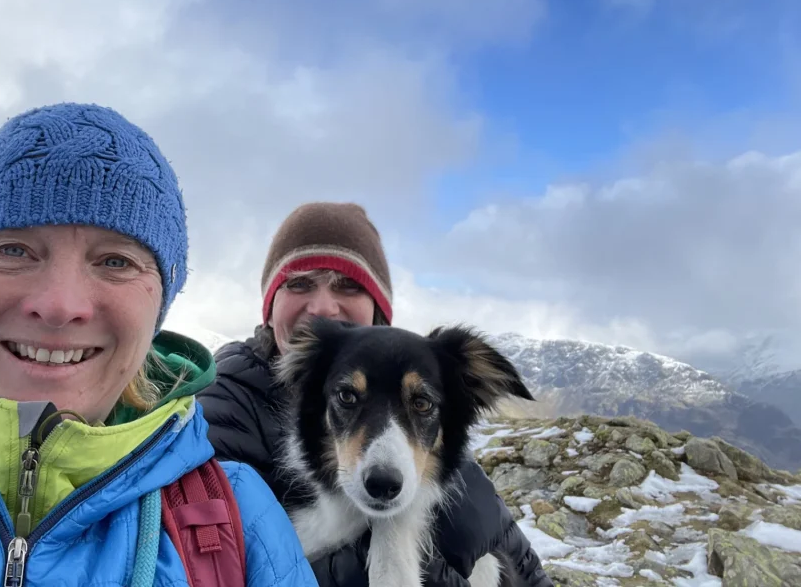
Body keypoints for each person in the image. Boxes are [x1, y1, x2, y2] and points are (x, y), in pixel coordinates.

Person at [0, 103, 317, 587]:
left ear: (158, 307)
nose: (61, 304)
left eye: (116, 261)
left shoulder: (240, 522)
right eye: (14, 249)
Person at [198, 202, 552, 587]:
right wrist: (410, 557)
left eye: (348, 285)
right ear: (269, 306)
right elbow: (218, 571)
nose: (321, 307)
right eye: (298, 283)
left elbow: (531, 576)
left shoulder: (443, 425)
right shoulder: (219, 408)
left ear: (377, 310)